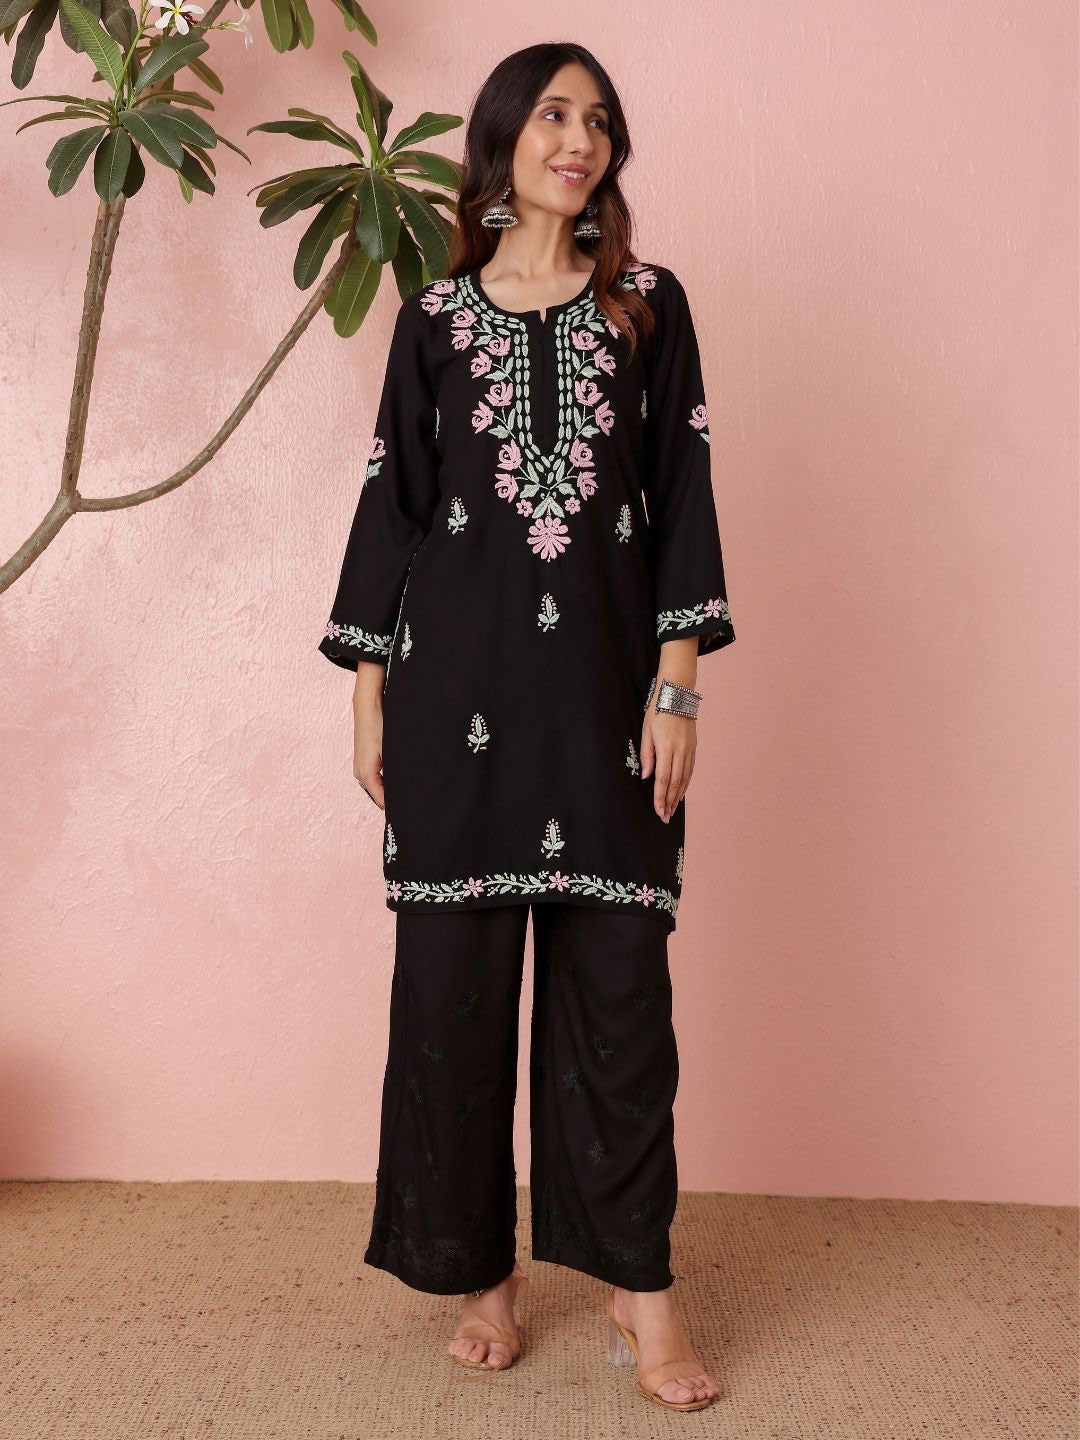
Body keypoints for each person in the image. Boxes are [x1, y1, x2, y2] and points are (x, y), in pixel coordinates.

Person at [318, 41, 735, 1413]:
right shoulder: (436, 318)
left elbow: (682, 491)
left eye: (599, 121)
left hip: (608, 704)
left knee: (622, 1003)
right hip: (457, 704)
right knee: (454, 999)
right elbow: (395, 500)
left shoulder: (648, 308)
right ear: (502, 138)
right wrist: (368, 687)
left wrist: (678, 683)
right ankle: (479, 1275)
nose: (580, 140)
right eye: (555, 114)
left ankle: (639, 1289)